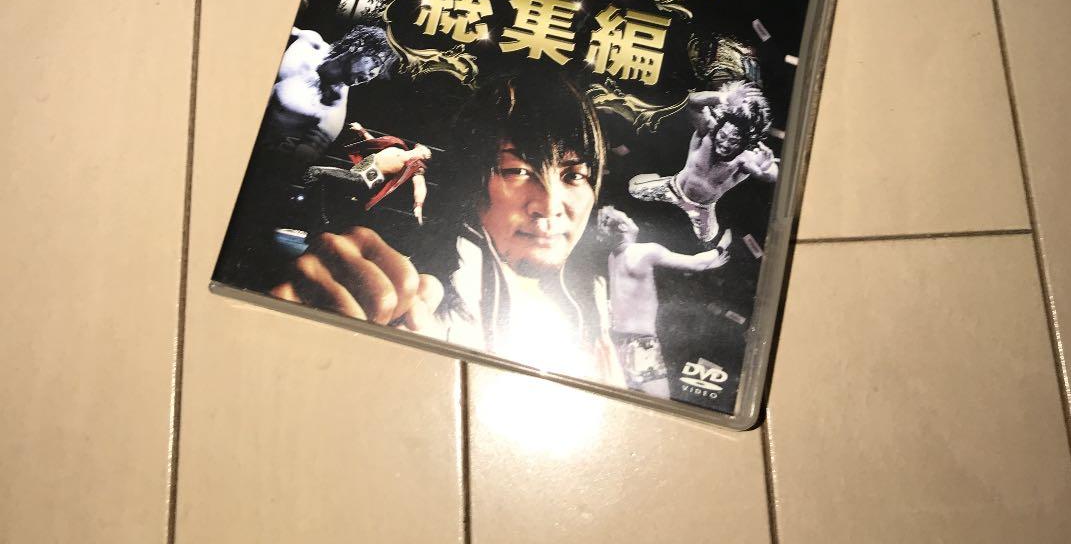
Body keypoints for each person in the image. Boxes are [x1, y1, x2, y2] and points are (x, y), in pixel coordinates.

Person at [270, 73, 623, 385]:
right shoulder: (437, 292)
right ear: (472, 181)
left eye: (574, 176)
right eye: (517, 171)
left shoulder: (594, 299)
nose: (549, 205)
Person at [597, 206, 728, 396]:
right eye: (628, 217)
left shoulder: (614, 256)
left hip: (619, 344)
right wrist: (722, 245)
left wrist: (704, 266)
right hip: (641, 345)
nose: (632, 219)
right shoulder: (645, 251)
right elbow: (695, 262)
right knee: (660, 402)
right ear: (624, 227)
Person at [629, 81, 776, 243]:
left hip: (701, 208)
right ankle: (657, 178)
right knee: (633, 188)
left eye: (733, 141)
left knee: (707, 237)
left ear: (743, 144)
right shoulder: (707, 131)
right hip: (673, 188)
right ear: (718, 129)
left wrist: (767, 168)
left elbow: (770, 175)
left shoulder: (744, 159)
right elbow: (691, 101)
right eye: (723, 135)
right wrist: (725, 97)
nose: (724, 144)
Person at [261, 23, 394, 160]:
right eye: (375, 62)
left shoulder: (333, 112)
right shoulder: (307, 42)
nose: (373, 74)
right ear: (358, 46)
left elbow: (304, 156)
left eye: (378, 72)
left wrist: (295, 152)